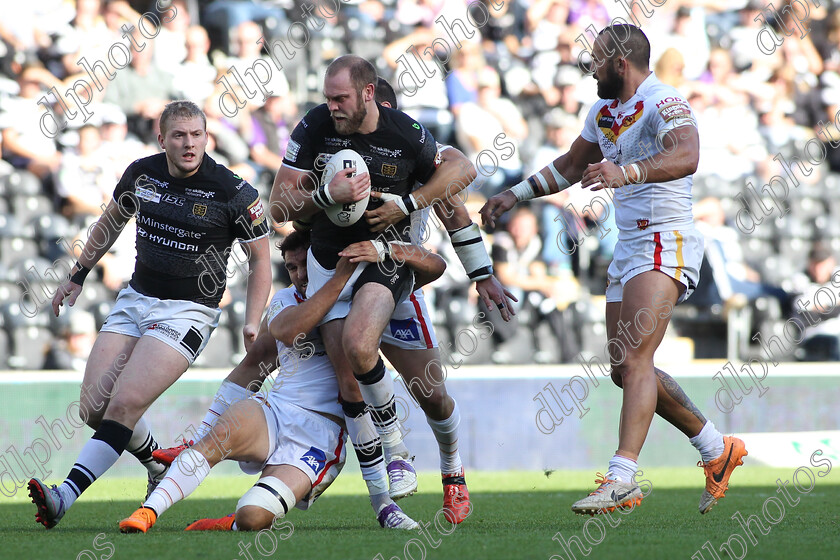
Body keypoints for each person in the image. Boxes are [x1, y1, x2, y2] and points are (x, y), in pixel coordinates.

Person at [480, 24, 747, 515]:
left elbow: (687, 154)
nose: (589, 68)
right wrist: (513, 194)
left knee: (638, 359)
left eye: (596, 60)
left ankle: (622, 476)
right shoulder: (603, 111)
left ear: (620, 63)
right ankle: (716, 448)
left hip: (667, 236)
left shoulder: (661, 99)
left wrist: (625, 172)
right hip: (629, 244)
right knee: (624, 370)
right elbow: (569, 165)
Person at [28, 100, 272, 529]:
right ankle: (156, 463)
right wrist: (78, 273)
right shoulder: (142, 173)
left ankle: (64, 496)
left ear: (206, 137)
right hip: (136, 298)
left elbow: (261, 259)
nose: (189, 143)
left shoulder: (233, 191)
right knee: (93, 408)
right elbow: (109, 222)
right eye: (179, 136)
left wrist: (253, 319)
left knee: (123, 404)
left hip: (188, 312)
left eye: (197, 134)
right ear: (162, 139)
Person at [119, 230, 446, 533]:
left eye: (306, 265)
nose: (301, 275)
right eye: (292, 268)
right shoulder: (286, 300)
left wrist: (384, 250)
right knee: (216, 439)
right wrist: (202, 430)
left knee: (253, 518)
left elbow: (433, 266)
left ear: (323, 260)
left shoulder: (365, 298)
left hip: (319, 435)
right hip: (274, 412)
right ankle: (148, 512)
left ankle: (231, 522)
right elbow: (256, 363)